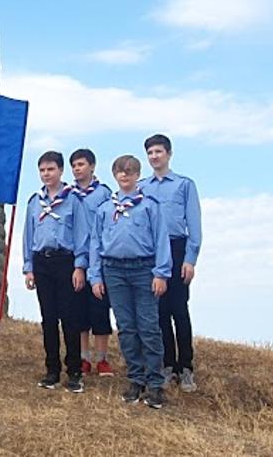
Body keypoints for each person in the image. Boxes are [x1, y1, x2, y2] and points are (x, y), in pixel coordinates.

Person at [90, 154, 172, 409]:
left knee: (148, 326)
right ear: (114, 175)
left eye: (130, 171)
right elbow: (95, 242)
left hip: (144, 269)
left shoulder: (149, 205)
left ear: (138, 175)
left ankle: (156, 383)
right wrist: (95, 276)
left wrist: (161, 273)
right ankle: (135, 379)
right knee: (126, 327)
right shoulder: (105, 208)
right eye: (120, 172)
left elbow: (161, 239)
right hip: (114, 270)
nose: (124, 176)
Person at [22, 151, 89, 393]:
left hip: (66, 262)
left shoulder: (74, 200)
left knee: (69, 318)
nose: (46, 174)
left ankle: (74, 372)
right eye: (42, 170)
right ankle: (52, 370)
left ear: (61, 171)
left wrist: (80, 266)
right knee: (48, 318)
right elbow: (28, 236)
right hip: (42, 263)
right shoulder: (34, 202)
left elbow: (82, 235)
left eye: (50, 169)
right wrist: (29, 268)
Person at [140, 133, 201, 392]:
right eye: (150, 153)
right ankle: (166, 364)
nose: (154, 157)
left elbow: (194, 225)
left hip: (176, 248)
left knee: (179, 309)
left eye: (158, 152)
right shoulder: (143, 187)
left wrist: (190, 258)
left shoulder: (184, 185)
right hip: (152, 251)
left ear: (169, 154)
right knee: (159, 311)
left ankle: (185, 367)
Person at [69, 148, 115, 378]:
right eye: (74, 165)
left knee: (99, 309)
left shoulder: (104, 194)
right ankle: (84, 357)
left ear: (93, 166)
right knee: (79, 312)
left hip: (99, 258)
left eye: (81, 164)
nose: (78, 169)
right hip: (75, 258)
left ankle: (102, 358)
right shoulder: (67, 195)